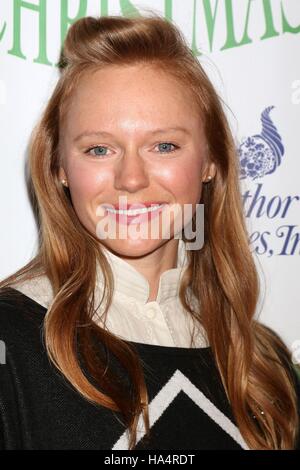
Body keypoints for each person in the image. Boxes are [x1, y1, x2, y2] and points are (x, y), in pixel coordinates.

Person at [0, 12, 299, 451]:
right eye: (99, 149)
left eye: (164, 146)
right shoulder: (10, 339)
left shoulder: (263, 360)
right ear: (59, 167)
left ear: (211, 161)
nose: (132, 178)